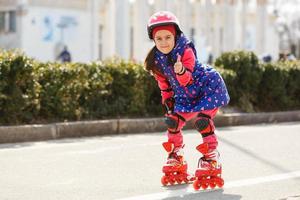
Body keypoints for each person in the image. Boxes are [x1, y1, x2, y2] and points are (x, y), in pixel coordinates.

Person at [144, 11, 230, 188]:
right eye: (159, 39)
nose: (164, 42)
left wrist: (180, 70)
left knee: (202, 121)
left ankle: (211, 158)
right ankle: (176, 156)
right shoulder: (156, 60)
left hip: (207, 87)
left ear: (175, 35)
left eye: (168, 37)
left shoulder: (186, 50)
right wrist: (168, 103)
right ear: (153, 40)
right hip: (185, 95)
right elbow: (164, 85)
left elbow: (187, 79)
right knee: (172, 121)